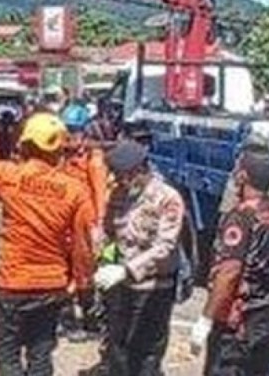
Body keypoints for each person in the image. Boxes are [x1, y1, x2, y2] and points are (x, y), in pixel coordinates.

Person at [0, 113, 95, 376]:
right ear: (59, 149)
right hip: (52, 284)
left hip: (14, 283)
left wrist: (10, 162)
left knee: (4, 350)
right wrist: (84, 286)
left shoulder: (11, 175)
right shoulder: (75, 190)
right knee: (40, 354)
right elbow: (83, 246)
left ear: (26, 145)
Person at [191, 148, 269, 375]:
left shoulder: (242, 216)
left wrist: (206, 319)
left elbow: (229, 272)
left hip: (237, 323)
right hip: (267, 319)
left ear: (243, 176)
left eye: (237, 168)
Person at [95, 141, 185, 376]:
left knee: (146, 354)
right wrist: (101, 258)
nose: (120, 182)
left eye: (124, 176)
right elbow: (109, 233)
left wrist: (127, 269)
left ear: (140, 170)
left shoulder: (167, 198)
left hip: (155, 287)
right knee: (118, 350)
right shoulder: (119, 194)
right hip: (122, 287)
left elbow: (165, 245)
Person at [60, 103, 110, 343]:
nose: (70, 134)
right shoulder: (62, 155)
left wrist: (98, 225)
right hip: (63, 220)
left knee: (85, 271)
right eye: (67, 129)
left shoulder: (93, 158)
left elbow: (100, 193)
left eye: (74, 129)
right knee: (62, 268)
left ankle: (91, 322)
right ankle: (67, 320)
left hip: (84, 221)